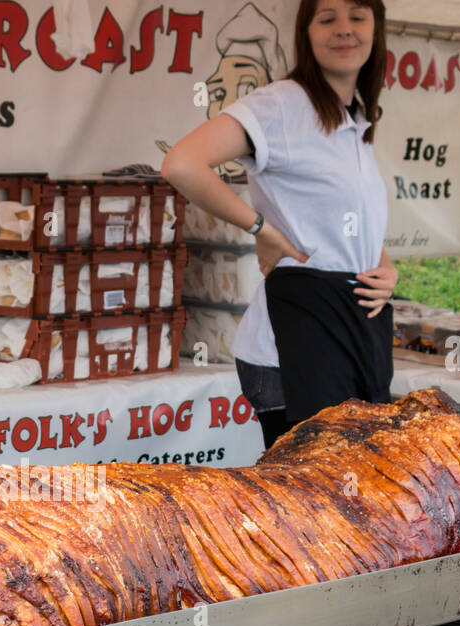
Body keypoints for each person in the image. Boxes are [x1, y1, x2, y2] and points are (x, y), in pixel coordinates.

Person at [162, 0, 397, 448]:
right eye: (327, 19)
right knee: (315, 499)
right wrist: (262, 229)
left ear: (377, 29)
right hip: (299, 335)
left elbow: (345, 220)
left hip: (358, 327)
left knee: (359, 494)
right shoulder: (281, 105)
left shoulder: (356, 120)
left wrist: (385, 265)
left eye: (358, 16)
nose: (343, 29)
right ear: (306, 35)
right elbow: (182, 164)